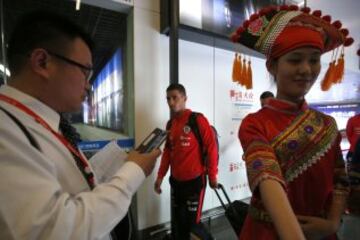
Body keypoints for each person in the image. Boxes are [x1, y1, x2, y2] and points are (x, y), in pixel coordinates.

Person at [0, 11, 161, 240]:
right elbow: (55, 230)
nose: (88, 85)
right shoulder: (6, 131)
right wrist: (132, 172)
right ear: (42, 62)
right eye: (84, 71)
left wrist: (114, 167)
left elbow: (67, 185)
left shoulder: (38, 121)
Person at [231, 4, 353, 240]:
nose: (306, 70)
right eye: (295, 60)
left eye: (314, 60)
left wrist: (333, 224)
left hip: (322, 231)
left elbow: (340, 178)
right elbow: (267, 176)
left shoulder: (327, 124)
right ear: (273, 66)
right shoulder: (254, 123)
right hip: (267, 232)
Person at [154, 83, 218, 240]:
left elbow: (211, 149)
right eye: (168, 99)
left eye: (174, 97)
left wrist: (212, 176)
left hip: (195, 182)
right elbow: (168, 153)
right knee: (179, 223)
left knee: (193, 225)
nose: (170, 102)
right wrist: (160, 176)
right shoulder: (170, 125)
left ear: (184, 98)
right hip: (176, 183)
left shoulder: (197, 120)